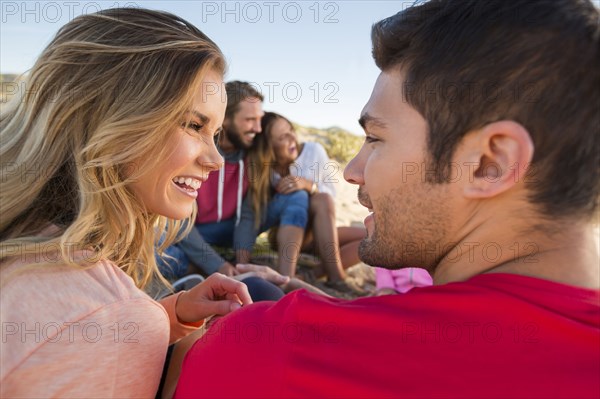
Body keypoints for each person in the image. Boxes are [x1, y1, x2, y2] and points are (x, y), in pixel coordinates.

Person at [173, 0, 600, 397]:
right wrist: (345, 309)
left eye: (375, 138)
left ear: (489, 164)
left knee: (254, 287)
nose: (353, 170)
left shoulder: (273, 349)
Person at [0, 8, 253, 398]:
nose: (216, 159)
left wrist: (173, 316)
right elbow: (85, 333)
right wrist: (183, 360)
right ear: (112, 119)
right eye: (193, 125)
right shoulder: (108, 312)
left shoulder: (23, 234)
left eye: (216, 132)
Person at [179, 85, 312, 286]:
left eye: (259, 119)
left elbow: (249, 214)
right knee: (163, 257)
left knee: (296, 197)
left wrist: (242, 264)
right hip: (195, 230)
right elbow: (177, 223)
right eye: (250, 120)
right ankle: (201, 264)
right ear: (224, 118)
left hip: (232, 227)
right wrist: (217, 265)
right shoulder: (194, 148)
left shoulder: (254, 153)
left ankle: (286, 280)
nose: (258, 129)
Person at [249, 111, 366, 293]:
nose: (292, 139)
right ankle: (337, 278)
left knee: (370, 236)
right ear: (269, 145)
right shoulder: (265, 168)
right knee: (320, 199)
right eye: (282, 137)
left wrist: (308, 185)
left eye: (291, 130)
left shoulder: (313, 151)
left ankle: (310, 275)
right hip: (286, 236)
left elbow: (331, 194)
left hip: (318, 234)